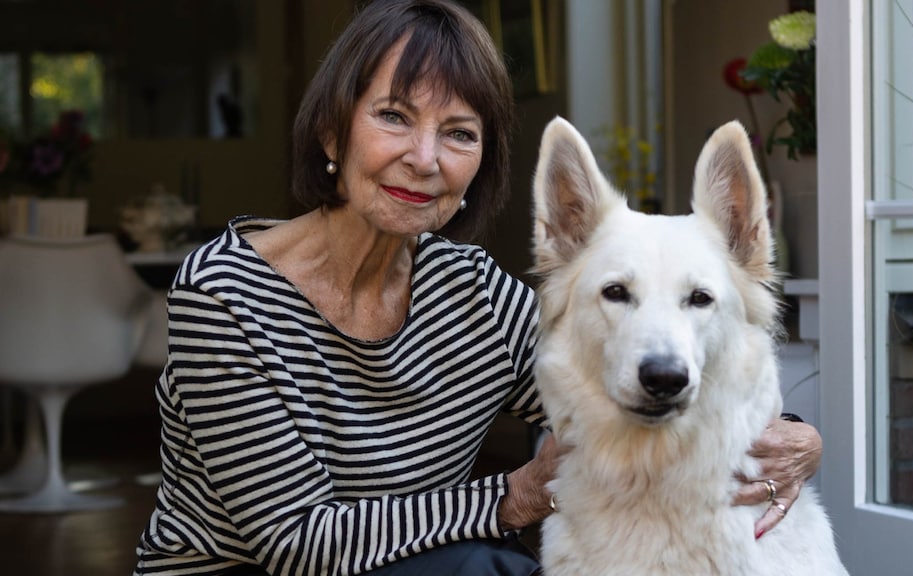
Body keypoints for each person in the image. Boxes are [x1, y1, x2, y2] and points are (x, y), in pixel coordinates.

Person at [133, 1, 823, 574]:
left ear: (480, 166)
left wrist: (790, 437)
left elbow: (615, 375)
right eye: (394, 117)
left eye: (458, 133)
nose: (424, 158)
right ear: (330, 130)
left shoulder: (470, 293)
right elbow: (294, 541)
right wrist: (511, 498)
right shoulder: (224, 294)